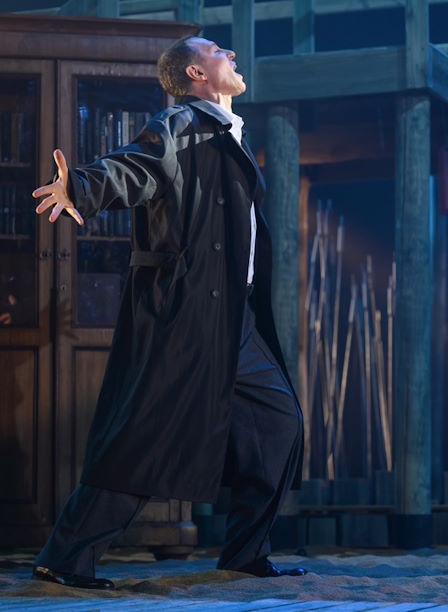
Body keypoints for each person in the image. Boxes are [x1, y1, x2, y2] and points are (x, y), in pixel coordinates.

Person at [31, 35, 305, 589]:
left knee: (278, 421)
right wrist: (79, 186)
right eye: (217, 50)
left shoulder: (228, 133)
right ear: (195, 73)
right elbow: (132, 168)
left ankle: (246, 552)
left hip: (235, 317)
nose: (230, 54)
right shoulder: (178, 126)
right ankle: (64, 559)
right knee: (143, 435)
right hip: (187, 315)